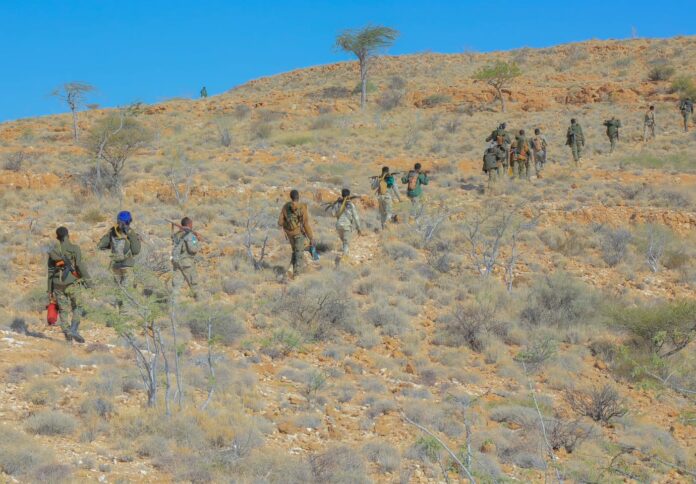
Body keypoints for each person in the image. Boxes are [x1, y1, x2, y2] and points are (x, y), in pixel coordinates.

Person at [47, 227, 92, 343]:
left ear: (57, 237)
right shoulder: (74, 248)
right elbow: (80, 266)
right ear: (68, 235)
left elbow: (50, 272)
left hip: (57, 284)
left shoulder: (53, 251)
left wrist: (49, 290)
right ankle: (73, 329)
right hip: (72, 283)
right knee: (78, 306)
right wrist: (88, 280)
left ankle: (68, 340)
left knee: (63, 310)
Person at [97, 211, 141, 306]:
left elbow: (100, 245)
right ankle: (124, 315)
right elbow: (136, 250)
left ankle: (118, 314)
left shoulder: (113, 231)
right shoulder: (130, 232)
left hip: (115, 266)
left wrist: (112, 245)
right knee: (126, 293)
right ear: (129, 221)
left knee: (118, 290)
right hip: (127, 266)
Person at [278, 189, 314, 277]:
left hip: (289, 234)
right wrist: (311, 237)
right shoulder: (302, 207)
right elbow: (305, 224)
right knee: (299, 253)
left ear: (291, 197)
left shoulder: (285, 206)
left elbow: (279, 222)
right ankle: (297, 274)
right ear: (298, 197)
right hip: (298, 233)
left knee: (295, 251)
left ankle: (290, 269)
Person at [171, 217, 200, 300]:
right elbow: (193, 249)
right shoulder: (190, 235)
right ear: (188, 224)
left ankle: (174, 307)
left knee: (176, 286)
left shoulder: (177, 234)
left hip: (176, 262)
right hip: (187, 263)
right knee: (194, 285)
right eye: (191, 224)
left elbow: (173, 240)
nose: (192, 225)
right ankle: (200, 304)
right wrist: (197, 241)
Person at [332, 188, 362, 266]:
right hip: (346, 226)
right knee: (346, 243)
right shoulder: (351, 205)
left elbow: (333, 214)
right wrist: (359, 228)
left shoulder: (337, 204)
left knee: (344, 242)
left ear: (342, 195)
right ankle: (344, 261)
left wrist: (335, 204)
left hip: (338, 226)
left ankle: (344, 257)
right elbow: (356, 217)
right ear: (348, 195)